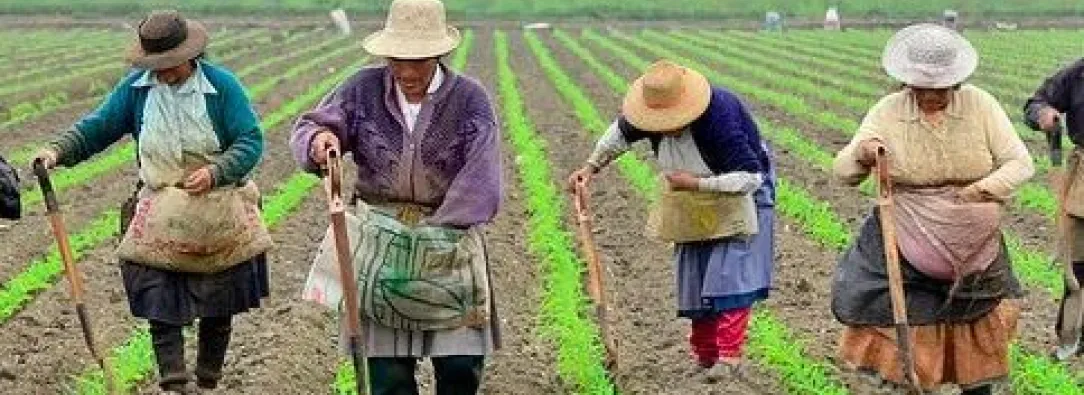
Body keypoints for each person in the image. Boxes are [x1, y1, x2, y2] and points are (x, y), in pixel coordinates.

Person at [31, 10, 267, 393]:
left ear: (190, 56)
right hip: (160, 207)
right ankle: (174, 384)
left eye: (171, 66)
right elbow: (98, 127)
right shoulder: (137, 90)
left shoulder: (222, 88)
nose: (165, 73)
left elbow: (250, 140)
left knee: (218, 303)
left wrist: (215, 172)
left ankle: (208, 381)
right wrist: (57, 152)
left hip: (218, 206)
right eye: (158, 66)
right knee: (159, 297)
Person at [289, 0, 502, 394]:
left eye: (418, 61)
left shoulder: (471, 100)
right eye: (397, 59)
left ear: (439, 54)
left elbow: (483, 177)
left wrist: (438, 232)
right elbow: (314, 125)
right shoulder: (361, 88)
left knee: (459, 367)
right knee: (386, 378)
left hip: (447, 243)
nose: (406, 71)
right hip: (379, 243)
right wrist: (320, 141)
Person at [831, 23, 1032, 394]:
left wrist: (978, 192)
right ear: (907, 83)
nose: (931, 96)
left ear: (956, 83)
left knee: (977, 318)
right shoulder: (889, 110)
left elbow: (1020, 163)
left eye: (940, 89)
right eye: (922, 89)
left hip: (972, 236)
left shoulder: (981, 105)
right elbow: (842, 171)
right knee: (908, 321)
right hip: (904, 229)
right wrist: (863, 154)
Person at [568, 59, 776, 377]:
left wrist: (698, 184)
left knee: (730, 273)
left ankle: (729, 358)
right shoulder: (648, 113)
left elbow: (751, 176)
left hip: (739, 191)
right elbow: (618, 135)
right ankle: (705, 356)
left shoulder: (718, 117)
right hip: (688, 194)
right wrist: (590, 167)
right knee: (694, 273)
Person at [1024, 50, 1084, 361]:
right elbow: (1033, 105)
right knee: (1078, 265)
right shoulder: (1076, 75)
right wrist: (1043, 114)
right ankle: (1072, 336)